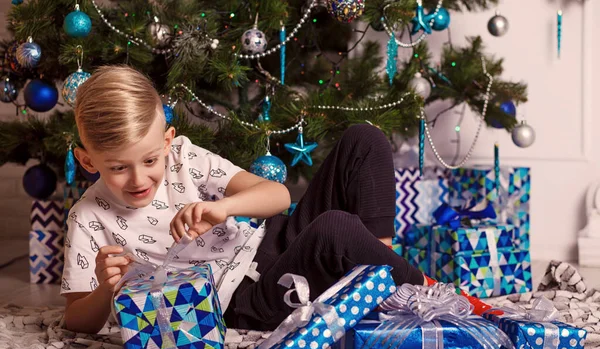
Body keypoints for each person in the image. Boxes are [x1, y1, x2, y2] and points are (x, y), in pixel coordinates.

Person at [61, 65, 483, 334]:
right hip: (240, 300)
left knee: (364, 139)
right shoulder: (87, 218)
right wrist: (105, 289)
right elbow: (76, 320)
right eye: (117, 167)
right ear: (87, 160)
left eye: (150, 159)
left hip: (265, 245)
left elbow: (278, 196)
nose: (138, 178)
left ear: (167, 140)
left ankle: (380, 284)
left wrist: (223, 207)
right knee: (335, 229)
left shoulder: (183, 157)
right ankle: (436, 295)